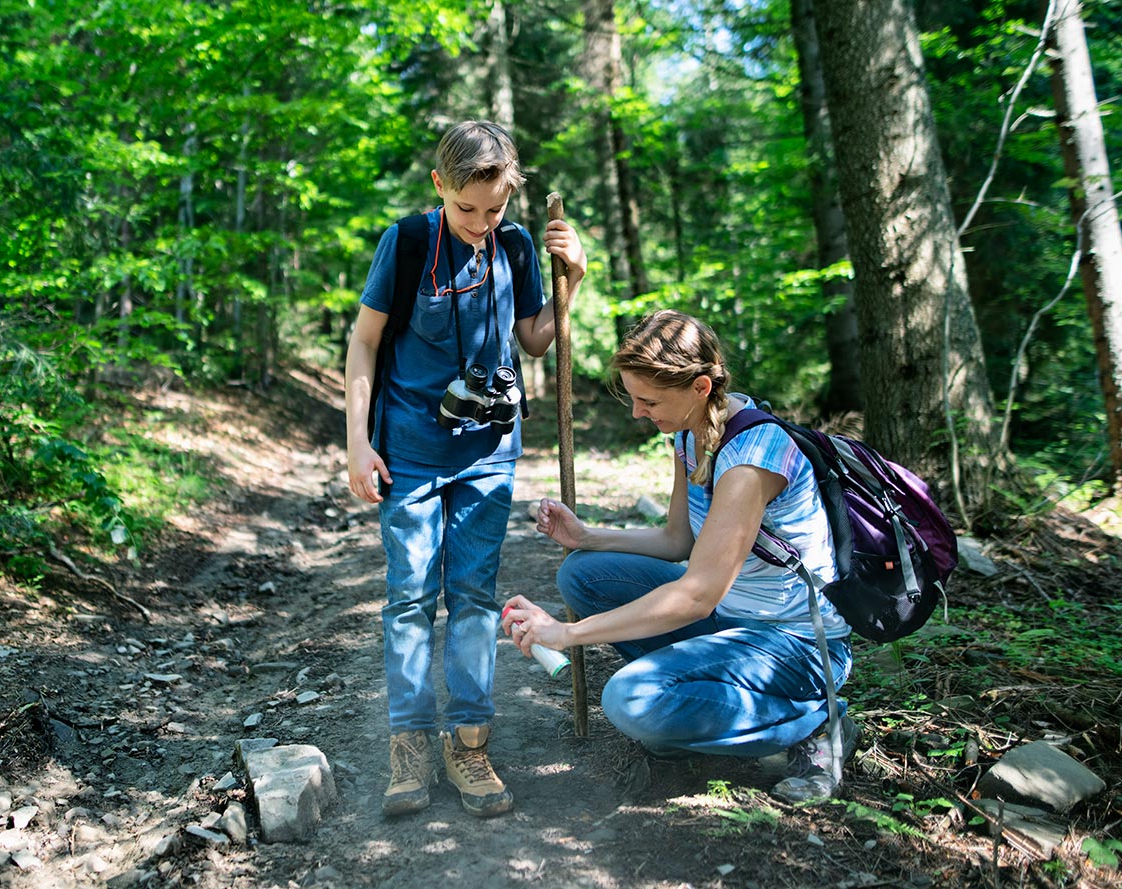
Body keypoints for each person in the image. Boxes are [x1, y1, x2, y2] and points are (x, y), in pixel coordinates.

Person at [500, 310, 858, 803]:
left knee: (629, 701)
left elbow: (697, 596)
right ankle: (690, 711)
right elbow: (677, 541)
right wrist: (586, 537)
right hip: (736, 624)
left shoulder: (755, 455)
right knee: (583, 573)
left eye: (649, 400)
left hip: (795, 646)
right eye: (633, 398)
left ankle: (818, 722)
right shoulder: (690, 435)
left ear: (701, 387)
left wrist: (568, 635)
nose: (636, 413)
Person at [345, 120, 586, 818]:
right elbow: (363, 345)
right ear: (439, 186)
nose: (482, 223)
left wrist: (574, 276)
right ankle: (411, 743)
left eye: (496, 208)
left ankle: (470, 743)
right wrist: (357, 444)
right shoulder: (409, 242)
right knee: (411, 597)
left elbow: (537, 339)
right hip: (412, 452)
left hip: (488, 454)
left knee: (475, 596)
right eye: (467, 208)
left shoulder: (512, 243)